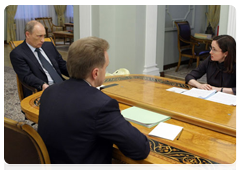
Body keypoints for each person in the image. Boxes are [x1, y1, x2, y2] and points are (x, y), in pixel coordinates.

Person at [37, 37, 150, 170]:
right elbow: (139, 149)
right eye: (106, 67)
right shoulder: (101, 105)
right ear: (95, 73)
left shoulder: (49, 92)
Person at [10, 20, 69, 98]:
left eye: (44, 36)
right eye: (39, 36)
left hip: (61, 84)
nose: (43, 40)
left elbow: (62, 64)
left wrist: (79, 73)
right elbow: (27, 76)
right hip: (41, 90)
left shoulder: (48, 46)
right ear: (27, 34)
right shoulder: (18, 53)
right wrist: (42, 85)